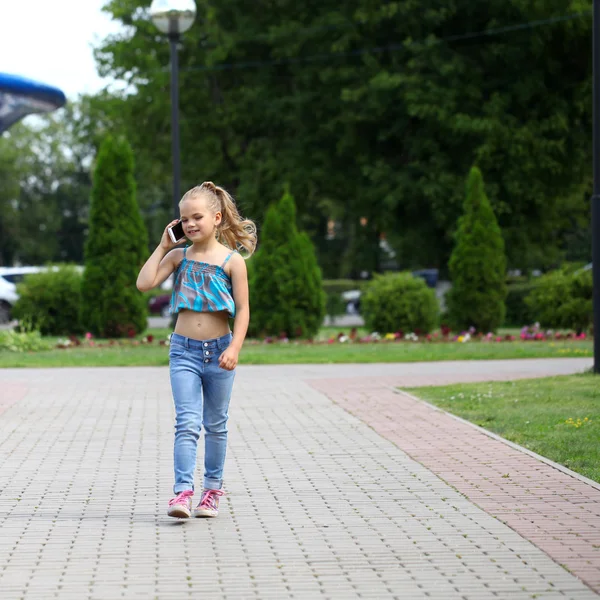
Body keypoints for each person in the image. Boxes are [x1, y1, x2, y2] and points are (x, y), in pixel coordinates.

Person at [137, 181, 257, 518]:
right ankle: (182, 493)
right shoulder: (178, 257)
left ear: (217, 218)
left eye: (197, 217)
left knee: (216, 424)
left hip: (220, 352)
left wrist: (235, 347)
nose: (189, 224)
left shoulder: (233, 262)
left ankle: (212, 491)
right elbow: (144, 283)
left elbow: (244, 310)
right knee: (186, 423)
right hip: (184, 352)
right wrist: (162, 247)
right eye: (184, 219)